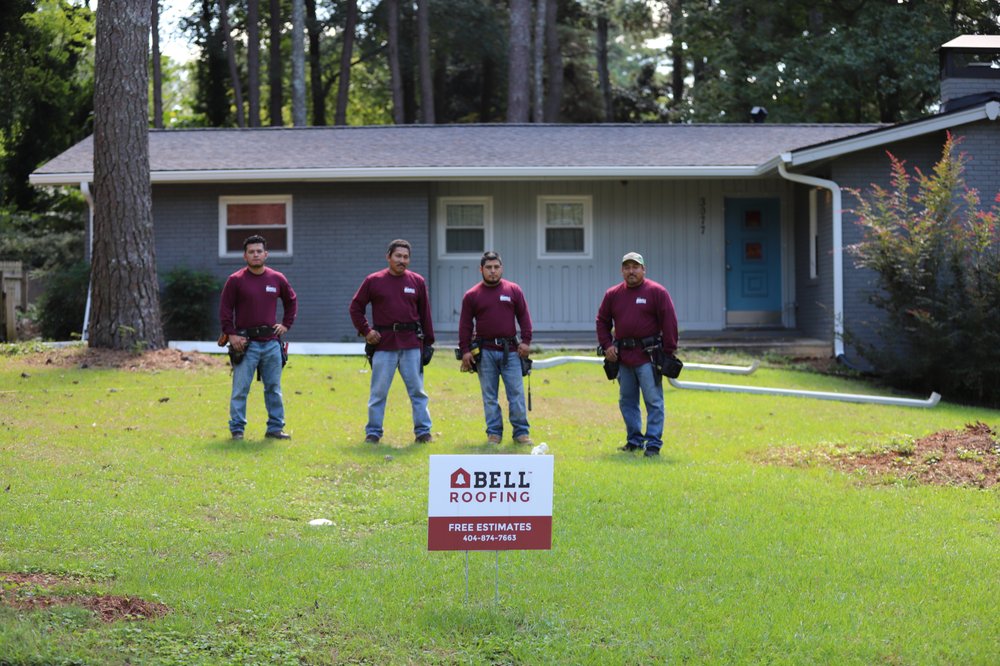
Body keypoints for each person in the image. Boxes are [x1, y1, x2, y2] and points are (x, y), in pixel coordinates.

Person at [349, 239, 435, 444]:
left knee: (418, 392)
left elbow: (425, 315)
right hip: (384, 345)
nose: (402, 260)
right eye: (398, 256)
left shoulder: (417, 281)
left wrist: (429, 343)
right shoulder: (374, 280)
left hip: (412, 345)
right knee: (378, 393)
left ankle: (423, 432)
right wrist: (366, 331)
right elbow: (355, 307)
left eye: (406, 257)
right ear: (388, 257)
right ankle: (373, 432)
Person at [596, 251, 678, 457]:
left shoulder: (657, 292)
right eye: (627, 267)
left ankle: (653, 444)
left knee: (653, 401)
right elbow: (602, 321)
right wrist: (607, 346)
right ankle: (634, 440)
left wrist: (667, 353)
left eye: (635, 267)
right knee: (627, 401)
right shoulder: (612, 294)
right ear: (622, 270)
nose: (631, 271)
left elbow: (670, 323)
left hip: (648, 357)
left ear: (643, 269)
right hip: (623, 357)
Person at [219, 234, 298, 440]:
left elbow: (291, 301)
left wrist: (285, 324)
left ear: (266, 254)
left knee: (273, 388)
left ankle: (275, 428)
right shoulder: (235, 280)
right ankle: (237, 430)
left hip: (271, 343)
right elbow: (225, 310)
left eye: (259, 251)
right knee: (240, 389)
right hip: (245, 344)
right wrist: (232, 335)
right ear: (245, 256)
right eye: (251, 252)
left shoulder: (277, 278)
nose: (255, 255)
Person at [458, 251, 534, 445]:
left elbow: (524, 317)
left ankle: (521, 433)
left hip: (511, 351)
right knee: (489, 396)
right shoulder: (472, 295)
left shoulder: (513, 290)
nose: (492, 271)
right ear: (481, 269)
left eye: (496, 267)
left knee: (516, 394)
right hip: (485, 353)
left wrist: (526, 341)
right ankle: (494, 433)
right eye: (488, 268)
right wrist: (465, 351)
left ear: (502, 268)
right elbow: (465, 325)